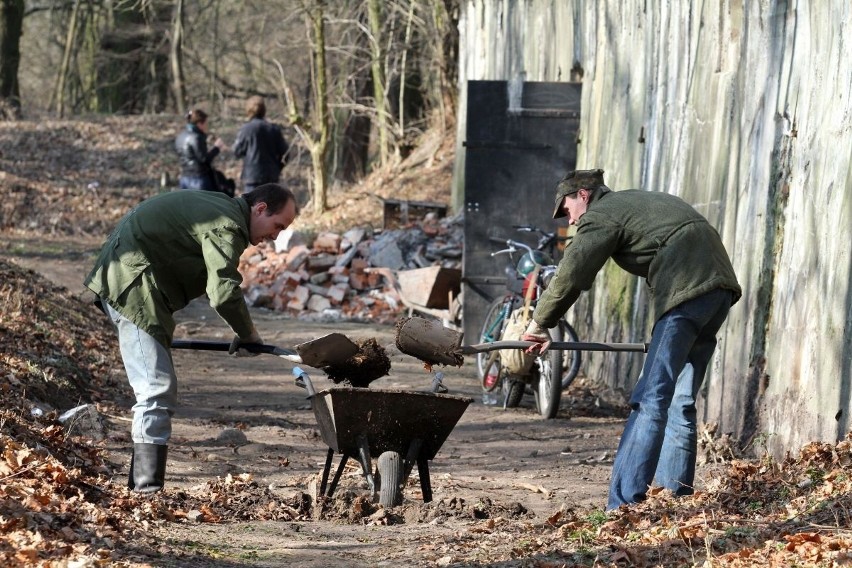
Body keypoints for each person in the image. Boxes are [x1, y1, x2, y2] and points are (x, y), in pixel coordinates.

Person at [521, 169, 741, 510]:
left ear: (583, 194)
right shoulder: (636, 201)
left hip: (685, 291)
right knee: (681, 399)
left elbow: (572, 273)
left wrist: (539, 323)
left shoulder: (602, 214)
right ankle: (675, 497)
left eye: (567, 210)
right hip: (719, 290)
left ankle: (622, 506)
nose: (570, 220)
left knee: (650, 398)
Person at [84, 183, 299, 493]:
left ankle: (139, 488)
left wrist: (245, 334)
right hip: (133, 285)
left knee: (155, 386)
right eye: (277, 225)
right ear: (260, 208)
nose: (275, 236)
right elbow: (223, 292)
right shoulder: (226, 223)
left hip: (134, 281)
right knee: (155, 389)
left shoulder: (223, 210)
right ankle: (145, 492)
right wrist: (249, 334)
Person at [232, 96, 290, 193]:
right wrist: (277, 168)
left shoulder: (246, 129)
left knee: (251, 206)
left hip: (252, 177)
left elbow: (237, 151)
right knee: (270, 206)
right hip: (271, 176)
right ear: (264, 110)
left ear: (249, 111)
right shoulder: (273, 129)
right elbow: (286, 154)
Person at [175, 108, 228, 191]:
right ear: (200, 124)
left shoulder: (181, 136)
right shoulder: (196, 137)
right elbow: (204, 159)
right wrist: (217, 148)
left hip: (184, 177)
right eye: (206, 123)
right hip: (198, 179)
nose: (207, 126)